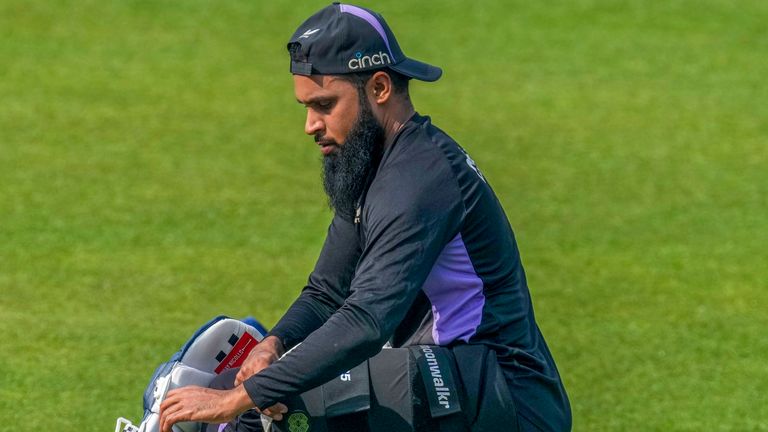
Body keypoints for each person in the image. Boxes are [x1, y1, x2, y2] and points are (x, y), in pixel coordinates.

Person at [159, 3, 571, 431]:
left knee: (263, 416)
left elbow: (368, 321)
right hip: (460, 378)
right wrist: (272, 345)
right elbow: (326, 292)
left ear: (378, 88)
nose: (310, 125)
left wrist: (238, 398)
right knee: (268, 394)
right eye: (305, 106)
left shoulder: (419, 182)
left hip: (504, 396)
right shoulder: (372, 167)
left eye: (323, 105)